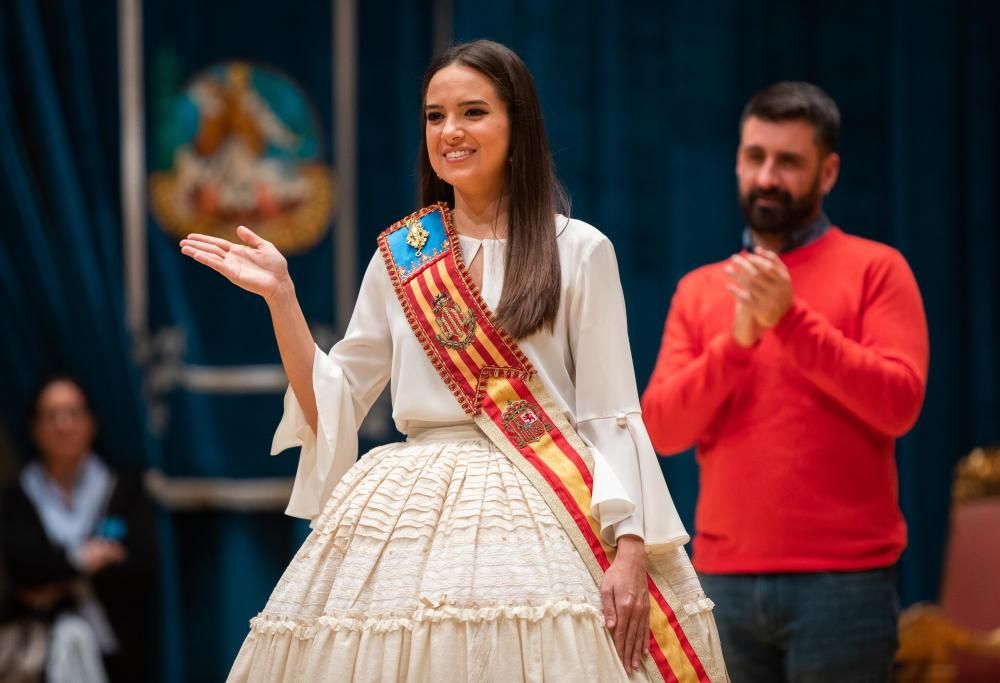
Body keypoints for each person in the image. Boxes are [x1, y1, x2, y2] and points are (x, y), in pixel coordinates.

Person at [181, 40, 727, 682]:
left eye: (473, 112)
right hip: (408, 510)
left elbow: (610, 411)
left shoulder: (578, 250)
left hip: (546, 507)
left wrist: (631, 546)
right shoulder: (404, 256)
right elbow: (332, 401)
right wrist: (283, 299)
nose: (451, 132)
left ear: (517, 126)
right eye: (435, 116)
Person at [641, 81, 929, 682]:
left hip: (844, 586)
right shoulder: (700, 288)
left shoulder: (878, 269)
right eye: (755, 157)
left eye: (789, 161)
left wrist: (790, 321)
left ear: (828, 172)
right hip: (722, 582)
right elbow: (663, 428)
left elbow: (899, 403)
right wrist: (739, 342)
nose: (767, 176)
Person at [0, 376, 159, 682]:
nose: (64, 425)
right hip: (39, 653)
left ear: (91, 422)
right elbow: (23, 568)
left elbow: (141, 566)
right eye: (52, 415)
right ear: (34, 428)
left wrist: (56, 576)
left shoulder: (121, 488)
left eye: (73, 413)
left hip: (120, 651)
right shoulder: (20, 493)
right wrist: (83, 560)